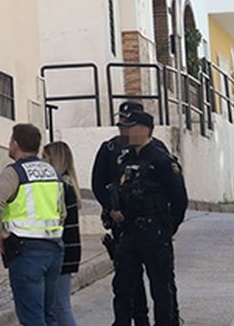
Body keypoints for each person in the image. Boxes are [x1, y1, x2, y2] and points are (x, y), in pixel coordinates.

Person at [90, 101, 168, 326]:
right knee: (127, 281)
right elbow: (98, 184)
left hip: (152, 226)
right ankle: (138, 319)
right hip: (122, 225)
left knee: (160, 283)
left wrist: (167, 224)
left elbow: (171, 190)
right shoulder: (110, 148)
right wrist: (111, 208)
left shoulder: (156, 148)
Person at [108, 109, 187, 326]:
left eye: (127, 127)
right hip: (128, 234)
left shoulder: (161, 161)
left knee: (161, 290)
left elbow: (179, 200)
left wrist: (166, 229)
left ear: (143, 129)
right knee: (123, 289)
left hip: (154, 234)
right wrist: (113, 212)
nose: (122, 131)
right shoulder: (125, 160)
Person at [0, 123, 65, 326]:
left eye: (10, 141)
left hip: (27, 251)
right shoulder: (52, 172)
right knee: (49, 315)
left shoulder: (15, 172)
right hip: (54, 249)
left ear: (16, 144)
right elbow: (62, 212)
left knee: (32, 318)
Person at [41, 141, 81, 326]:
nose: (42, 161)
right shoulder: (68, 184)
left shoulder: (61, 186)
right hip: (68, 250)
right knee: (57, 305)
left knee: (60, 305)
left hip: (63, 250)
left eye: (45, 157)